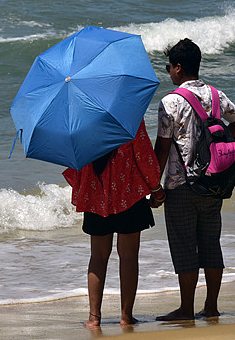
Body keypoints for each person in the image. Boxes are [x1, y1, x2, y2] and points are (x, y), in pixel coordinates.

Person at [153, 38, 235, 321]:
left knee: (184, 246)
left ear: (178, 68)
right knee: (210, 243)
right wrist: (215, 147)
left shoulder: (170, 101)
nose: (168, 70)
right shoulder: (216, 96)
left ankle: (185, 308)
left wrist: (152, 187)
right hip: (214, 182)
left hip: (180, 185)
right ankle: (211, 306)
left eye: (169, 66)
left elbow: (162, 147)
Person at [63, 120, 165, 328]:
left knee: (98, 257)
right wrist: (156, 189)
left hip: (95, 194)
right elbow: (144, 157)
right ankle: (126, 317)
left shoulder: (81, 122)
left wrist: (85, 188)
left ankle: (94, 318)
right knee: (128, 257)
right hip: (130, 194)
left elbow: (74, 161)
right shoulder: (131, 118)